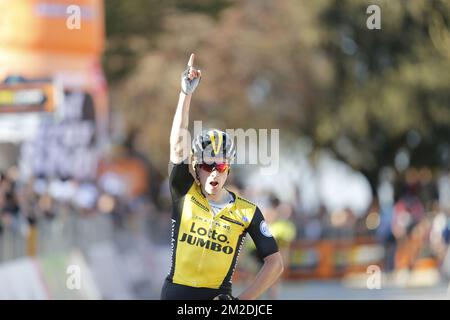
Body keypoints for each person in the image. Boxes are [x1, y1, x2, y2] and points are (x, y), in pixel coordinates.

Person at [160, 53, 283, 300]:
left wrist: (241, 302)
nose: (214, 172)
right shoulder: (184, 191)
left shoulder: (247, 212)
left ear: (229, 168)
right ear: (195, 167)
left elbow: (275, 264)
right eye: (207, 166)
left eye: (222, 166)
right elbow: (176, 144)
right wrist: (185, 94)